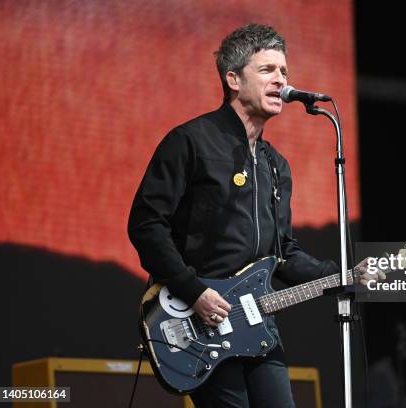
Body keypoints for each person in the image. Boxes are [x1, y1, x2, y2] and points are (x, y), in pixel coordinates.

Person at [127, 23, 379, 407]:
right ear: (233, 79)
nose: (281, 80)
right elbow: (146, 225)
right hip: (199, 319)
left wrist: (344, 274)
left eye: (284, 72)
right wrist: (194, 291)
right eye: (267, 70)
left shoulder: (275, 165)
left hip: (257, 324)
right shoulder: (190, 141)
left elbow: (284, 255)